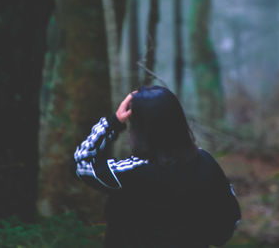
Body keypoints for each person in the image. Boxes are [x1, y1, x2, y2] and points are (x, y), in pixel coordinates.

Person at [74, 86, 241, 248]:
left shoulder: (134, 173)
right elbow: (229, 219)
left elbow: (84, 163)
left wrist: (114, 122)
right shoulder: (205, 163)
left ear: (141, 130)